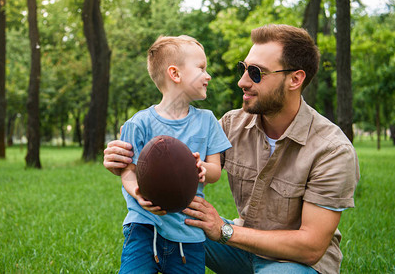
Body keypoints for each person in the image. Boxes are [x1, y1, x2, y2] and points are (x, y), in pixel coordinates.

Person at [104, 24, 360, 274]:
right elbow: (171, 153)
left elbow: (311, 247)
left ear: (295, 79)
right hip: (240, 248)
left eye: (256, 73)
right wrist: (126, 161)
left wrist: (224, 230)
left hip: (292, 262)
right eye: (244, 69)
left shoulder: (332, 150)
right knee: (175, 227)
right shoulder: (231, 124)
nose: (242, 81)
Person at [116, 35, 232, 274]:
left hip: (188, 228)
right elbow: (127, 170)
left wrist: (202, 169)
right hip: (144, 225)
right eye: (201, 68)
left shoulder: (208, 121)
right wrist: (138, 194)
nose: (208, 75)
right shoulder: (140, 123)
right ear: (175, 74)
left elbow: (215, 171)